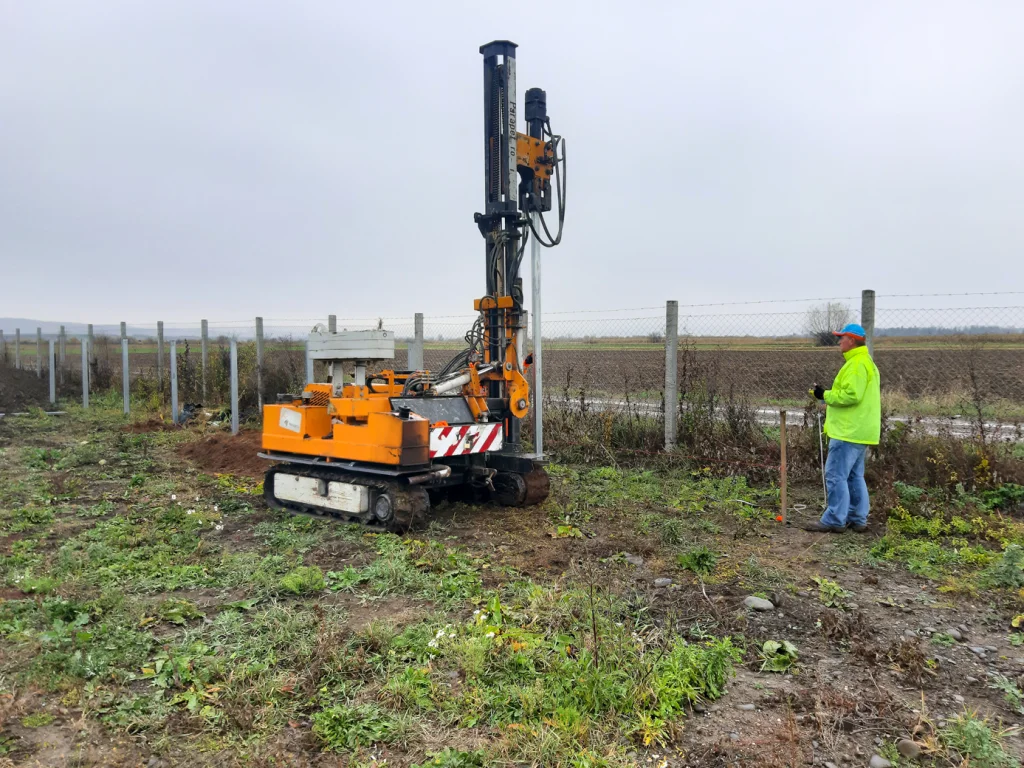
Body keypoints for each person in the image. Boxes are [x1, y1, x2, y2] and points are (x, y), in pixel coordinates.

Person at [804, 323, 881, 533]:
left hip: (848, 431)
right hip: (860, 431)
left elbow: (851, 395)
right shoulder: (866, 362)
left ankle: (834, 519)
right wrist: (827, 396)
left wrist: (825, 395)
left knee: (836, 474)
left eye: (842, 338)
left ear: (852, 340)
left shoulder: (856, 365)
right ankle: (857, 518)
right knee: (854, 476)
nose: (839, 342)